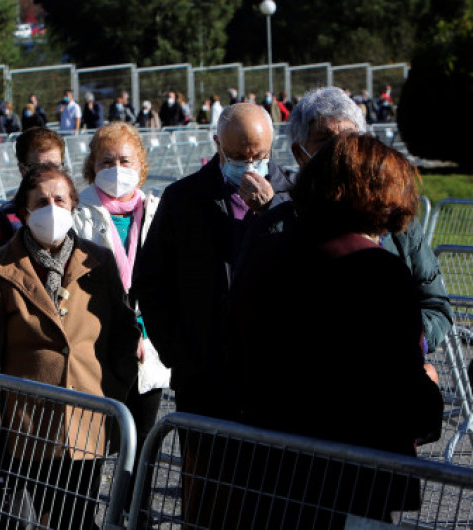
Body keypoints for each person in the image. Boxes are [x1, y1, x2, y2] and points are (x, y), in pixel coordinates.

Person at [231, 132, 444, 527]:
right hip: (352, 478)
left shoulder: (268, 250)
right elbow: (402, 398)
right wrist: (429, 387)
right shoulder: (378, 270)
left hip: (270, 470)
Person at [132, 101, 292, 528]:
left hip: (272, 385)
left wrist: (273, 210)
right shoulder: (185, 198)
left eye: (257, 154)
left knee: (271, 503)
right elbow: (151, 281)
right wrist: (180, 353)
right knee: (208, 502)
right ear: (217, 144)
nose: (249, 164)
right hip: (205, 382)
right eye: (238, 155)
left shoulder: (294, 199)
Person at [0, 162, 139, 530]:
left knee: (77, 518)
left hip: (88, 418)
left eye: (60, 199)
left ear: (74, 205)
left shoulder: (98, 260)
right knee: (30, 517)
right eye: (41, 201)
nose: (52, 208)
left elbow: (123, 332)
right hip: (27, 425)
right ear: (24, 211)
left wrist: (114, 389)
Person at [250, 86, 453, 356]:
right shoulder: (275, 230)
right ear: (300, 155)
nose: (340, 152)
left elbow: (436, 305)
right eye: (325, 141)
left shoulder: (395, 220)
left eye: (349, 137)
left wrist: (410, 342)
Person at [71, 122, 170, 515]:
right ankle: (82, 518)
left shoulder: (159, 211)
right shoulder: (78, 212)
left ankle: (134, 518)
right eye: (106, 160)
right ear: (91, 166)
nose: (116, 168)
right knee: (91, 442)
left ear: (141, 165)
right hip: (97, 347)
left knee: (143, 445)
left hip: (149, 349)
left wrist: (150, 331)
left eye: (125, 160)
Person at [0, 126, 66, 251]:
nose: (49, 174)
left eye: (55, 167)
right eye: (39, 167)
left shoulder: (72, 211)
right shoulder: (5, 217)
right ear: (22, 169)